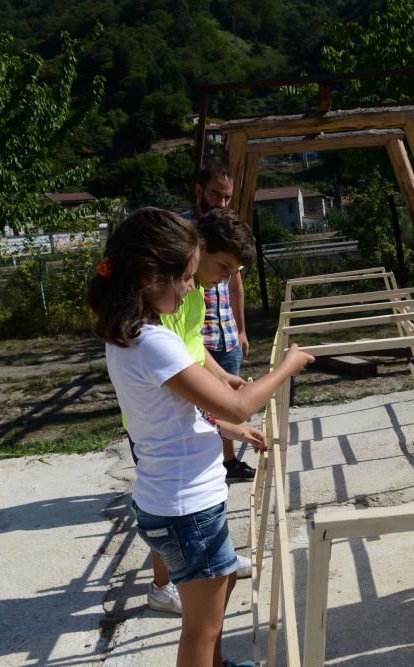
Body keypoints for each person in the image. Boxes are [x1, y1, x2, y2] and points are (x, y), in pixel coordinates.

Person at [87, 208, 313, 666]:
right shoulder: (153, 342)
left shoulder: (127, 335)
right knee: (200, 629)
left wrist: (227, 428)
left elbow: (176, 414)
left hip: (169, 500)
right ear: (152, 275)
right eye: (187, 277)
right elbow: (235, 402)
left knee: (222, 581)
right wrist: (286, 366)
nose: (193, 288)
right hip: (186, 508)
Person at [132, 206, 258, 614]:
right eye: (223, 266)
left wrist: (222, 376)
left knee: (200, 499)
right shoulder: (165, 304)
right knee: (174, 505)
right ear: (198, 249)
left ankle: (210, 559)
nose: (225, 277)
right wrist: (224, 418)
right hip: (165, 421)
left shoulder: (194, 293)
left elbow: (193, 349)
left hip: (186, 412)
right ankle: (164, 584)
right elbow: (175, 377)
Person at [189, 163, 255, 481]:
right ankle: (210, 463)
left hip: (225, 331)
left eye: (228, 197)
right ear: (199, 190)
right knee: (204, 404)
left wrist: (240, 328)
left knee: (226, 400)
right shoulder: (186, 235)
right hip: (198, 336)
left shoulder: (229, 231)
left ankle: (228, 461)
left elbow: (235, 286)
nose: (222, 202)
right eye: (217, 194)